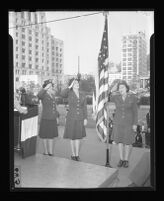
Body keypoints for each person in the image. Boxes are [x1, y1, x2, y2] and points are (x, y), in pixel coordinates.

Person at [108, 80, 138, 168]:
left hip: (129, 123)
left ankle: (126, 160)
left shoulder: (132, 97)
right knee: (120, 141)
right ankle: (121, 159)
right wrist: (112, 89)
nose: (120, 89)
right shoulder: (116, 97)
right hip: (118, 123)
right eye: (119, 88)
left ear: (126, 88)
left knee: (127, 142)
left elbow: (135, 112)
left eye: (122, 87)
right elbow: (107, 96)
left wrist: (135, 124)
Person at [60, 78, 87, 161]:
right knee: (72, 137)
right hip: (71, 117)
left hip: (80, 118)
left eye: (77, 83)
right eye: (75, 83)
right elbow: (62, 94)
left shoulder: (82, 94)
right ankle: (73, 154)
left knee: (78, 137)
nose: (77, 84)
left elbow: (84, 107)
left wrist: (85, 118)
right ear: (72, 85)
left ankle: (77, 155)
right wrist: (69, 86)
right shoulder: (69, 93)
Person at [37, 79, 59, 156]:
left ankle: (51, 152)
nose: (51, 87)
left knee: (51, 136)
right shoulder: (43, 95)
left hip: (52, 118)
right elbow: (38, 95)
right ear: (46, 87)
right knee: (44, 135)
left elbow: (54, 107)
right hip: (45, 118)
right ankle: (46, 151)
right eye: (49, 86)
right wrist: (45, 88)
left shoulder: (52, 95)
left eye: (51, 86)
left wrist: (57, 117)